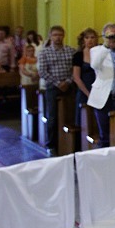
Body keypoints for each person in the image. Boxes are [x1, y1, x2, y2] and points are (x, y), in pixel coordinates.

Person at [36, 25, 75, 153]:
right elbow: (42, 72)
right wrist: (58, 83)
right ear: (50, 37)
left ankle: (72, 142)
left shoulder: (71, 51)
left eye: (60, 35)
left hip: (69, 85)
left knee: (73, 112)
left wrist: (68, 82)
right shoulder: (44, 52)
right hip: (52, 86)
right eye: (55, 35)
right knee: (52, 116)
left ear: (64, 36)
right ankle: (51, 145)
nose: (58, 37)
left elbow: (74, 70)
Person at [71, 27, 98, 128]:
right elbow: (76, 78)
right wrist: (88, 94)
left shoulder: (100, 53)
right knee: (83, 122)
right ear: (83, 40)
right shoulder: (78, 55)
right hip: (84, 90)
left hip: (98, 89)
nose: (90, 40)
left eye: (92, 37)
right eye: (87, 37)